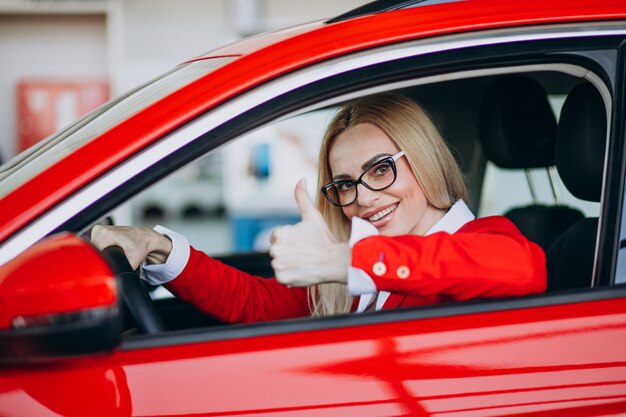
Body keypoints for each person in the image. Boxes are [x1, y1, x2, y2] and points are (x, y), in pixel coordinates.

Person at [91, 93, 546, 323]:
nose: (363, 198)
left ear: (423, 159)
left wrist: (346, 261)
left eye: (382, 169)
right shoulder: (360, 272)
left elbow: (520, 271)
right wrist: (158, 246)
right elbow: (255, 302)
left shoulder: (485, 239)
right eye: (345, 184)